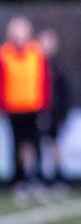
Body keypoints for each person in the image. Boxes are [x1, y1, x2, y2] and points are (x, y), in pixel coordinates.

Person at [0, 16, 50, 201]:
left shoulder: (36, 52)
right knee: (17, 145)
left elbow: (44, 80)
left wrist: (45, 104)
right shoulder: (4, 54)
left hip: (34, 106)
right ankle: (19, 180)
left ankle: (37, 179)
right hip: (13, 108)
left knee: (35, 144)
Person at [37, 29, 72, 192]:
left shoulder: (59, 66)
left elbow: (65, 93)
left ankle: (58, 177)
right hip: (37, 112)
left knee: (54, 144)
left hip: (55, 113)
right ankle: (37, 178)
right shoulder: (34, 64)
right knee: (34, 146)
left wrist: (63, 114)